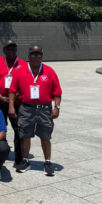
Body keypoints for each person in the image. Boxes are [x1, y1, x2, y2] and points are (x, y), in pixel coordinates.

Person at [9, 45, 62, 176]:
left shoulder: (49, 71)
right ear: (28, 56)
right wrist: (11, 106)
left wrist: (57, 107)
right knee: (25, 136)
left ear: (42, 56)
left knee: (45, 136)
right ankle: (25, 161)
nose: (36, 57)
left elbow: (57, 92)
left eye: (38, 55)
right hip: (26, 109)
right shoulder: (19, 71)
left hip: (45, 110)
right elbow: (12, 90)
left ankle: (48, 162)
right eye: (33, 55)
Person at [0, 40, 27, 165]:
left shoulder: (23, 65)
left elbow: (25, 84)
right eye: (8, 48)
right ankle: (1, 152)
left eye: (13, 48)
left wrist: (12, 98)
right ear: (4, 50)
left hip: (16, 103)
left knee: (18, 129)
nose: (10, 51)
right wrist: (0, 97)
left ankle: (19, 156)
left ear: (16, 50)